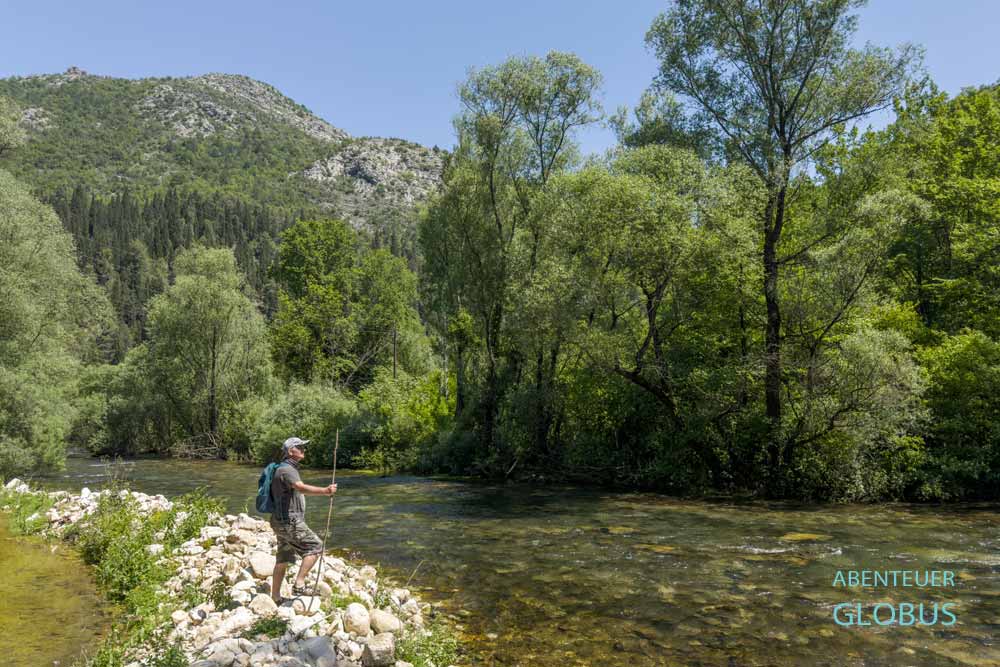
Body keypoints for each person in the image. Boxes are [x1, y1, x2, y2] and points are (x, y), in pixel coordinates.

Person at [269, 436, 336, 602]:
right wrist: (325, 491)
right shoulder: (287, 470)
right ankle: (299, 584)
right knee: (316, 547)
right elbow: (300, 487)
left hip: (280, 521)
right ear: (291, 451)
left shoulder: (283, 468)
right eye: (300, 447)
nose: (303, 450)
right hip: (289, 521)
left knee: (283, 558)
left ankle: (275, 597)